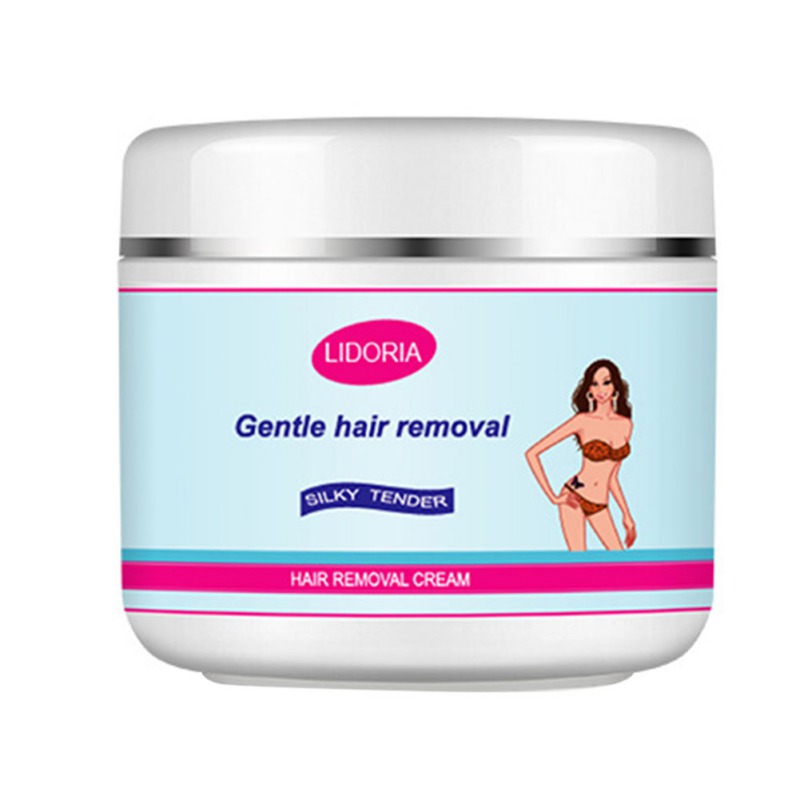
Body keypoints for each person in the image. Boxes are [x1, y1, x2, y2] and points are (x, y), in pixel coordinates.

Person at [525, 359, 637, 551]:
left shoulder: (625, 425)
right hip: (574, 496)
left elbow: (612, 476)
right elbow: (532, 453)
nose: (601, 389)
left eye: (606, 382)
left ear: (615, 387)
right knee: (578, 562)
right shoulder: (582, 421)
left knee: (618, 559)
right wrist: (553, 498)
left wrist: (626, 514)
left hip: (600, 503)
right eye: (594, 383)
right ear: (589, 390)